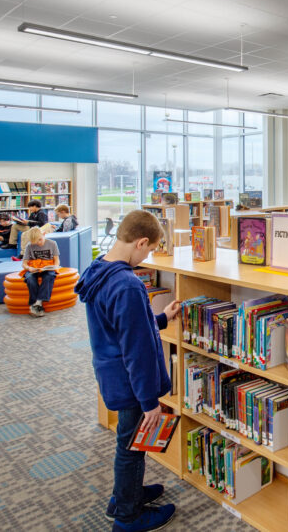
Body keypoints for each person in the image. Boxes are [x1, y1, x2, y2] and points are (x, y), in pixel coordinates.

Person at [76, 210, 180, 532]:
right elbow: (136, 351)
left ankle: (124, 496)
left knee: (127, 441)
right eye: (148, 251)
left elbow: (121, 328)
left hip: (114, 376)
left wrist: (160, 318)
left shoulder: (99, 270)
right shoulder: (128, 285)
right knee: (133, 447)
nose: (146, 257)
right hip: (132, 384)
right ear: (141, 242)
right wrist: (149, 401)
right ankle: (128, 517)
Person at [21, 227, 59, 318]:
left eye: (40, 240)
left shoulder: (52, 243)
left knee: (49, 276)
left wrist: (54, 267)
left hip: (47, 267)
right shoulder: (29, 246)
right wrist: (29, 268)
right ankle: (36, 304)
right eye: (36, 242)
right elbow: (24, 264)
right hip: (34, 267)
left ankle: (38, 302)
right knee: (30, 278)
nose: (39, 243)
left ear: (44, 234)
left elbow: (57, 261)